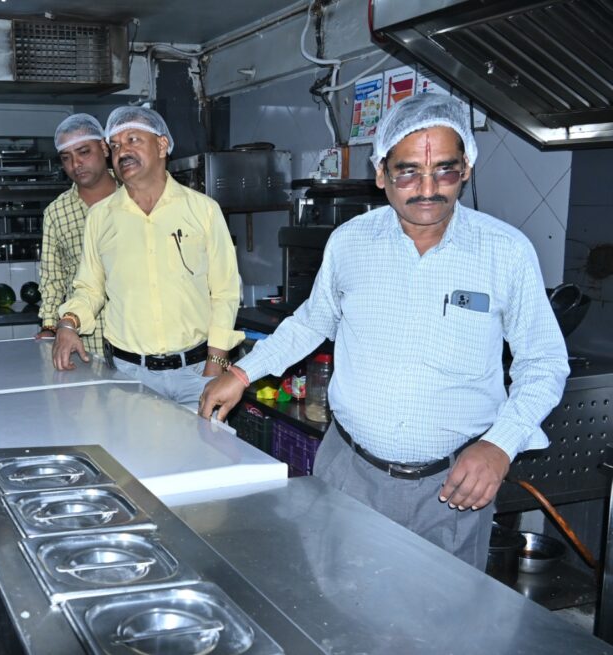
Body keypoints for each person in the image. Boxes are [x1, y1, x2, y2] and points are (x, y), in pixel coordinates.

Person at [199, 93, 569, 568]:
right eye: (408, 172)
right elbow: (313, 320)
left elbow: (544, 362)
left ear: (467, 169)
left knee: (440, 611)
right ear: (381, 174)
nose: (428, 188)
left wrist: (500, 444)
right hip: (349, 474)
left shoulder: (506, 252)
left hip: (453, 487)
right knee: (340, 600)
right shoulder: (350, 243)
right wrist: (242, 373)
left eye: (445, 170)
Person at [52, 107, 243, 404]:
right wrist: (68, 323)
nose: (122, 152)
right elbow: (89, 288)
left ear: (162, 145)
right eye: (115, 146)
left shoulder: (203, 210)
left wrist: (215, 365)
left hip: (197, 374)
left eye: (133, 140)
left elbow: (225, 291)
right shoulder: (101, 217)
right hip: (130, 376)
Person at [35, 114, 117, 354]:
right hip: (83, 341)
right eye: (66, 158)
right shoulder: (56, 212)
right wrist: (50, 326)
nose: (76, 164)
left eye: (83, 152)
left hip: (136, 339)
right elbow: (52, 278)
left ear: (104, 147)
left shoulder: (133, 196)